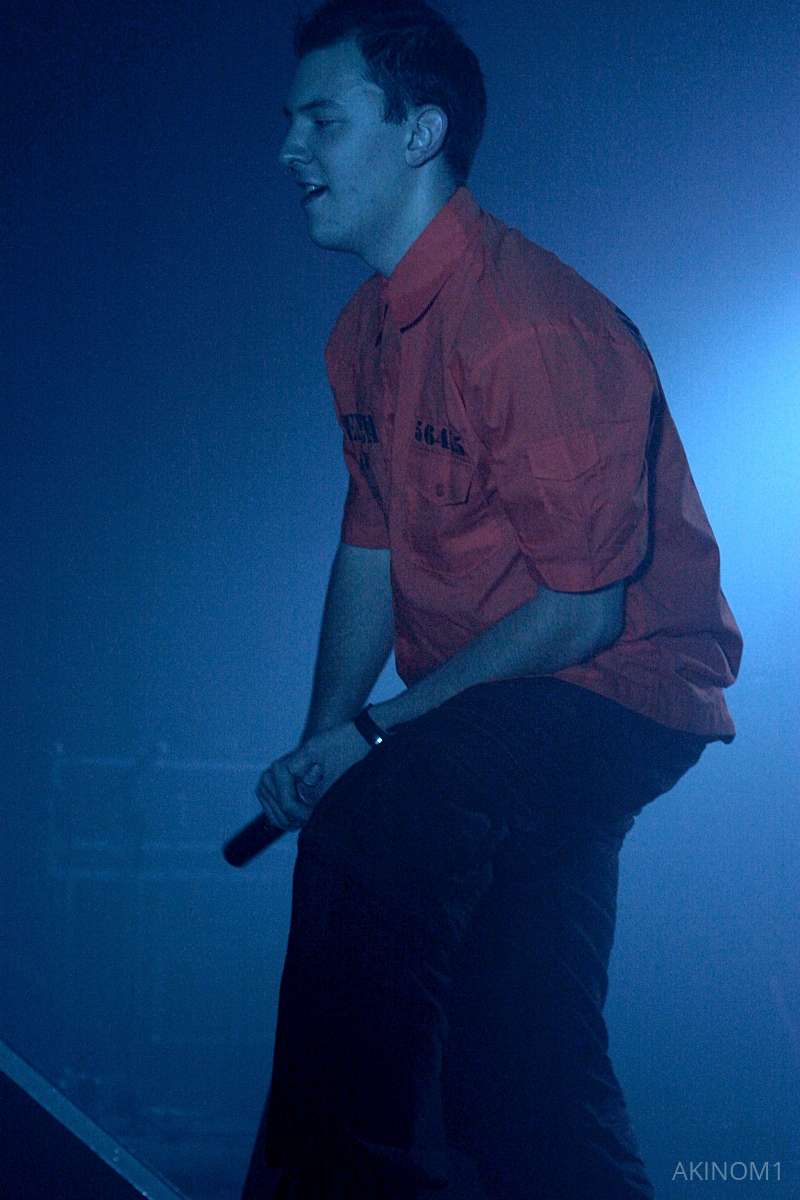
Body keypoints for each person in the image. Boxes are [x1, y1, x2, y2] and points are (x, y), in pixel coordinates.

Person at [242, 2, 743, 1197]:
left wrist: (371, 742)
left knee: (379, 823)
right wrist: (325, 734)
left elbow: (582, 613)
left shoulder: (528, 325)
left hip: (613, 688)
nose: (289, 148)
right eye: (291, 122)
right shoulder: (359, 334)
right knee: (524, 1055)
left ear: (419, 133)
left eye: (321, 120)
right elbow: (370, 544)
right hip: (499, 707)